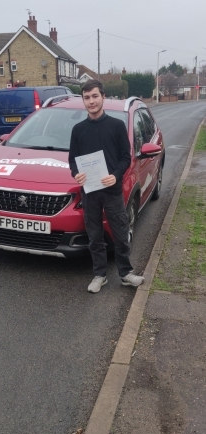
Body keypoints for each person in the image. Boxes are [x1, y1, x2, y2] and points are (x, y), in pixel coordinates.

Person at [68, 79, 144, 293]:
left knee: (120, 233)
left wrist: (116, 175)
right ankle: (100, 275)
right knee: (94, 237)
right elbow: (72, 159)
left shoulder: (116, 126)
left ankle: (126, 274)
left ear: (102, 97)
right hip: (90, 192)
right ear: (83, 100)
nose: (91, 101)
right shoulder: (78, 130)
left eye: (94, 96)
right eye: (86, 97)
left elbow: (125, 157)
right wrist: (76, 174)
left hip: (111, 191)